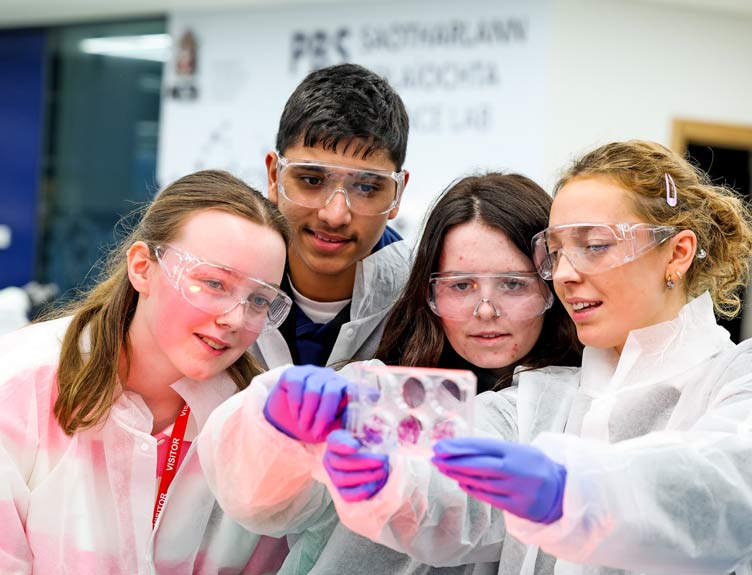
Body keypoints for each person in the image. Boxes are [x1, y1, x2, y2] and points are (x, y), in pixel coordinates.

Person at [318, 140, 752, 575]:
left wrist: (574, 491)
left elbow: (724, 489)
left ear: (677, 252)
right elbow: (448, 485)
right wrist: (380, 462)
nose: (562, 274)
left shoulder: (735, 379)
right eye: (557, 251)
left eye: (595, 245)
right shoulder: (543, 396)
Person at [197, 172, 582, 574]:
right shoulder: (382, 389)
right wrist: (272, 426)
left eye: (512, 284)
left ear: (552, 286)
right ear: (428, 293)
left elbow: (465, 506)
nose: (486, 310)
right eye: (461, 285)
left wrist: (398, 484)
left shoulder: (576, 403)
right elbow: (266, 505)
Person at [0, 170, 293, 574]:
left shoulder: (249, 426)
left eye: (259, 300)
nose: (235, 318)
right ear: (142, 267)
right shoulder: (19, 385)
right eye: (213, 283)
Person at [253, 62, 412, 370]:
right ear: (274, 176)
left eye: (366, 187)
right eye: (311, 180)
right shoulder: (224, 277)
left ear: (397, 194)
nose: (335, 215)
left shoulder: (423, 301)